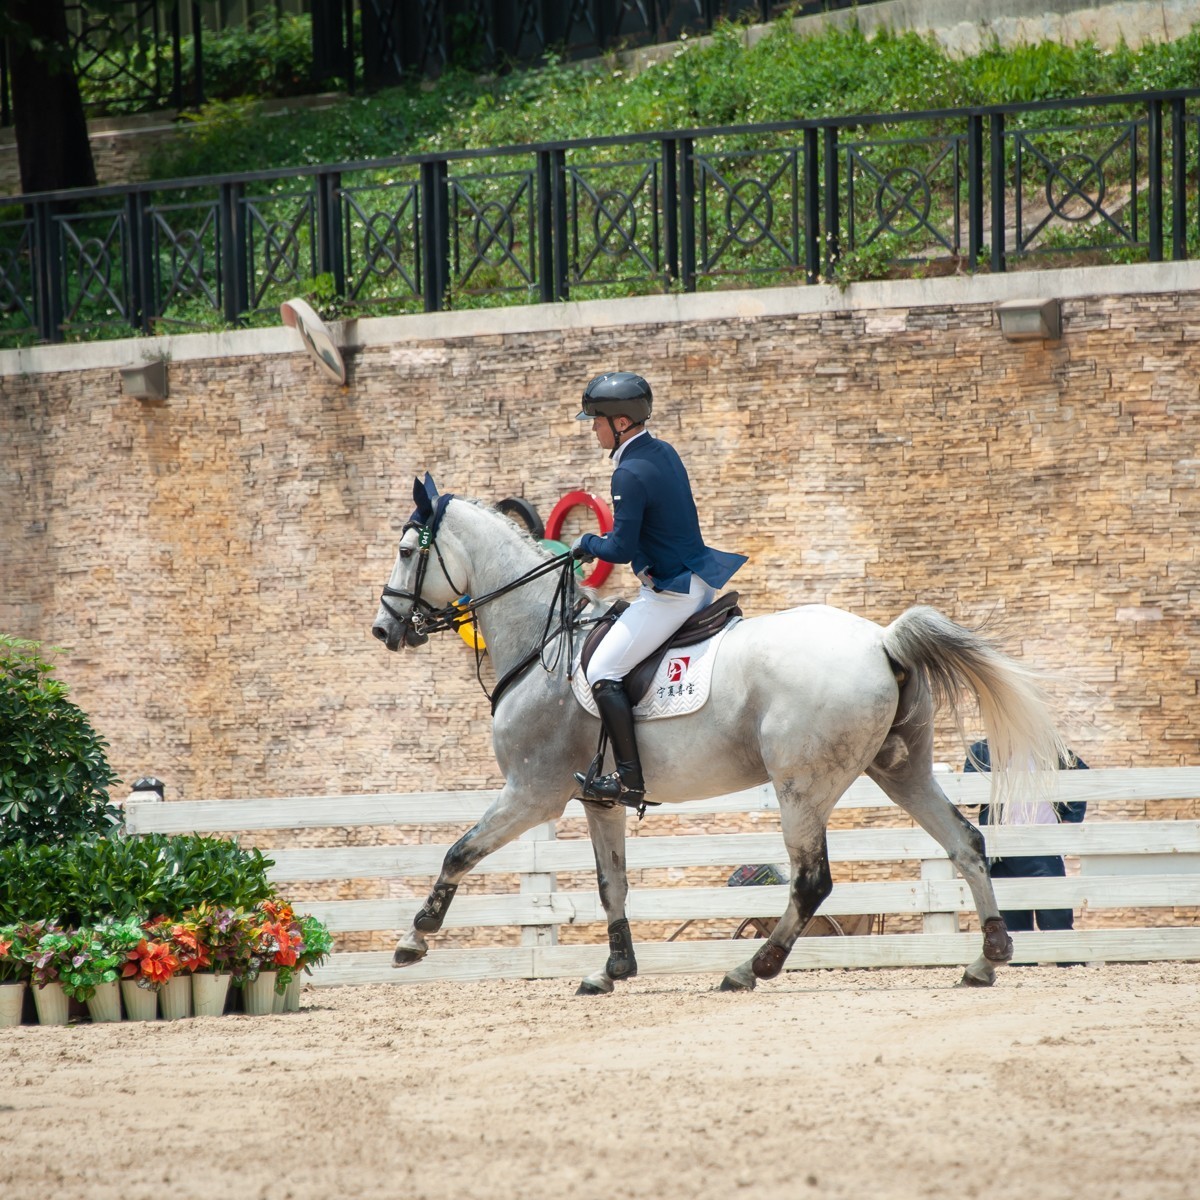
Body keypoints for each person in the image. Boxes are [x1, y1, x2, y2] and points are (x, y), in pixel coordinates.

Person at [569, 371, 747, 808]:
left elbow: (620, 547)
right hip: (700, 578)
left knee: (602, 671)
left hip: (672, 593)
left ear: (622, 423)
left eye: (597, 420)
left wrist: (585, 544)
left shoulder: (628, 473)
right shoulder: (662, 452)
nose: (593, 427)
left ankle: (630, 780)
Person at [964, 738, 1088, 936]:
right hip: (1001, 853)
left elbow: (1081, 775)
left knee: (1056, 921)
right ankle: (1022, 967)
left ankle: (1069, 966)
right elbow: (969, 798)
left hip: (1044, 848)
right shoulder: (981, 751)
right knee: (1013, 928)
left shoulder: (1047, 748)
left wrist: (1071, 820)